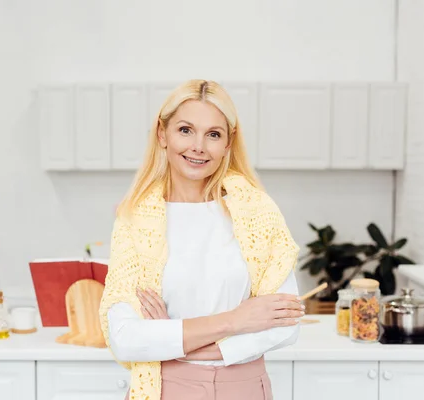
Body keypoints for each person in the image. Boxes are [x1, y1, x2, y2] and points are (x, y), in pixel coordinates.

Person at [99, 79, 304, 400]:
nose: (198, 146)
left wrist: (173, 338)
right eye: (185, 130)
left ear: (228, 143)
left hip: (244, 388)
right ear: (161, 134)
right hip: (164, 388)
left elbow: (286, 322)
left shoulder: (258, 212)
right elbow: (126, 336)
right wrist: (236, 321)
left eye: (213, 134)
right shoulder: (135, 219)